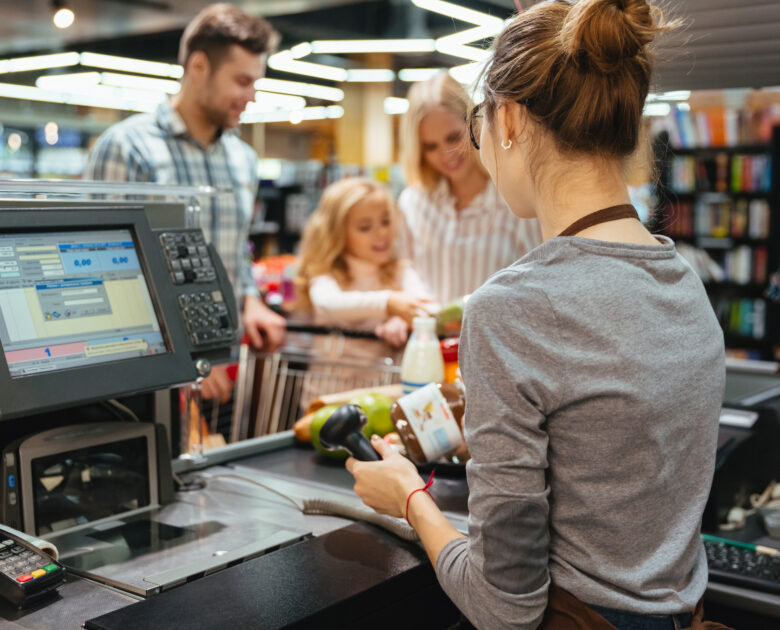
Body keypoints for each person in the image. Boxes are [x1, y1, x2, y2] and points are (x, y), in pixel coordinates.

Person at [347, 1, 729, 629]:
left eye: (477, 122)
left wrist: (410, 500)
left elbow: (506, 606)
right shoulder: (683, 281)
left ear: (511, 120)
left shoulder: (510, 309)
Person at [84, 3, 285, 402]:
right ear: (198, 67)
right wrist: (183, 357)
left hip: (224, 365)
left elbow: (234, 252)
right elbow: (105, 269)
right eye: (242, 81)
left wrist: (250, 301)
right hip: (146, 374)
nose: (252, 95)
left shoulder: (243, 159)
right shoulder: (128, 148)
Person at [397, 72, 542, 306]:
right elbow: (402, 267)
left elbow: (540, 278)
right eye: (431, 146)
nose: (446, 155)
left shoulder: (515, 199)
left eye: (453, 138)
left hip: (497, 339)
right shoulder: (412, 203)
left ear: (475, 123)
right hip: (430, 340)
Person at [296, 177, 430, 348]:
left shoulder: (400, 271)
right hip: (329, 374)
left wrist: (403, 320)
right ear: (338, 234)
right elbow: (327, 304)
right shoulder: (325, 273)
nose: (382, 233)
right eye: (365, 227)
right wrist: (388, 303)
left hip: (385, 374)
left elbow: (429, 309)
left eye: (386, 222)